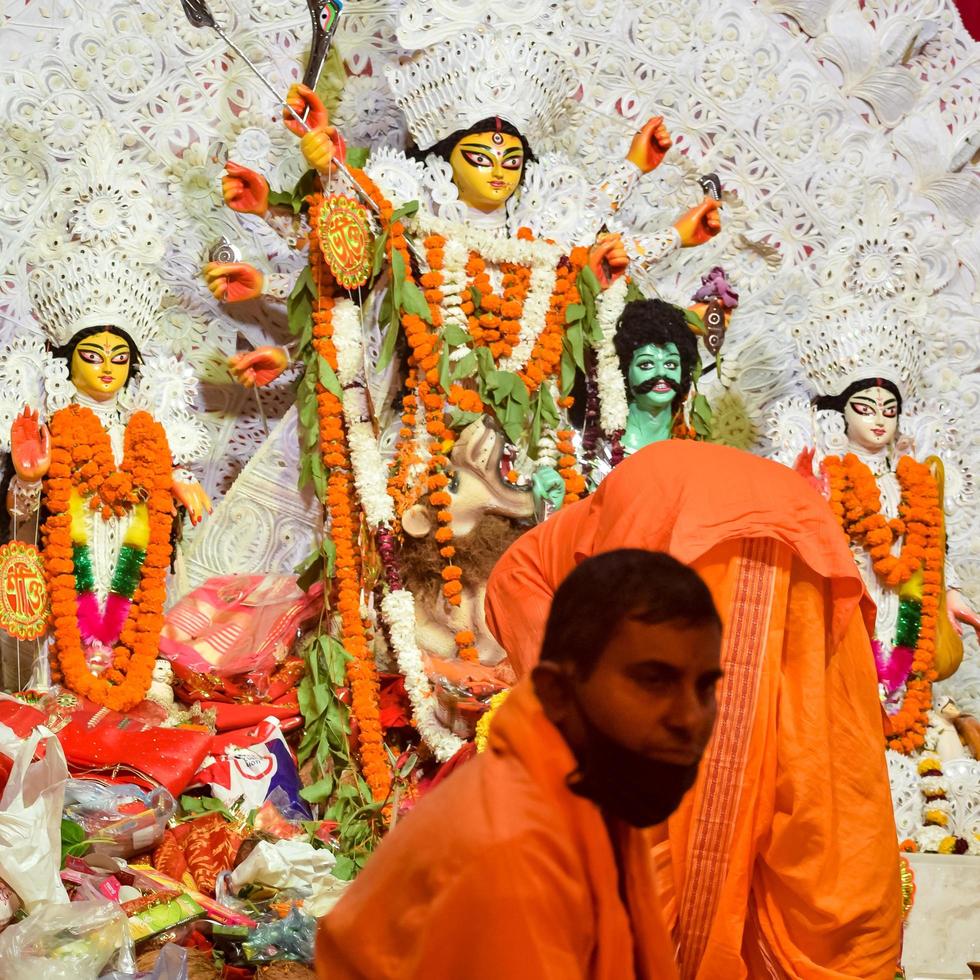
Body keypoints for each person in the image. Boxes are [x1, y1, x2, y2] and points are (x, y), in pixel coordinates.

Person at [485, 439, 903, 979]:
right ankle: (820, 956)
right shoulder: (579, 530)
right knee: (814, 763)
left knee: (696, 778)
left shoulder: (515, 575)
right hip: (804, 525)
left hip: (682, 520)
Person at [315, 549, 724, 980]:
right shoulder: (509, 852)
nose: (691, 718)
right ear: (557, 692)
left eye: (704, 687)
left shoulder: (597, 789)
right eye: (654, 681)